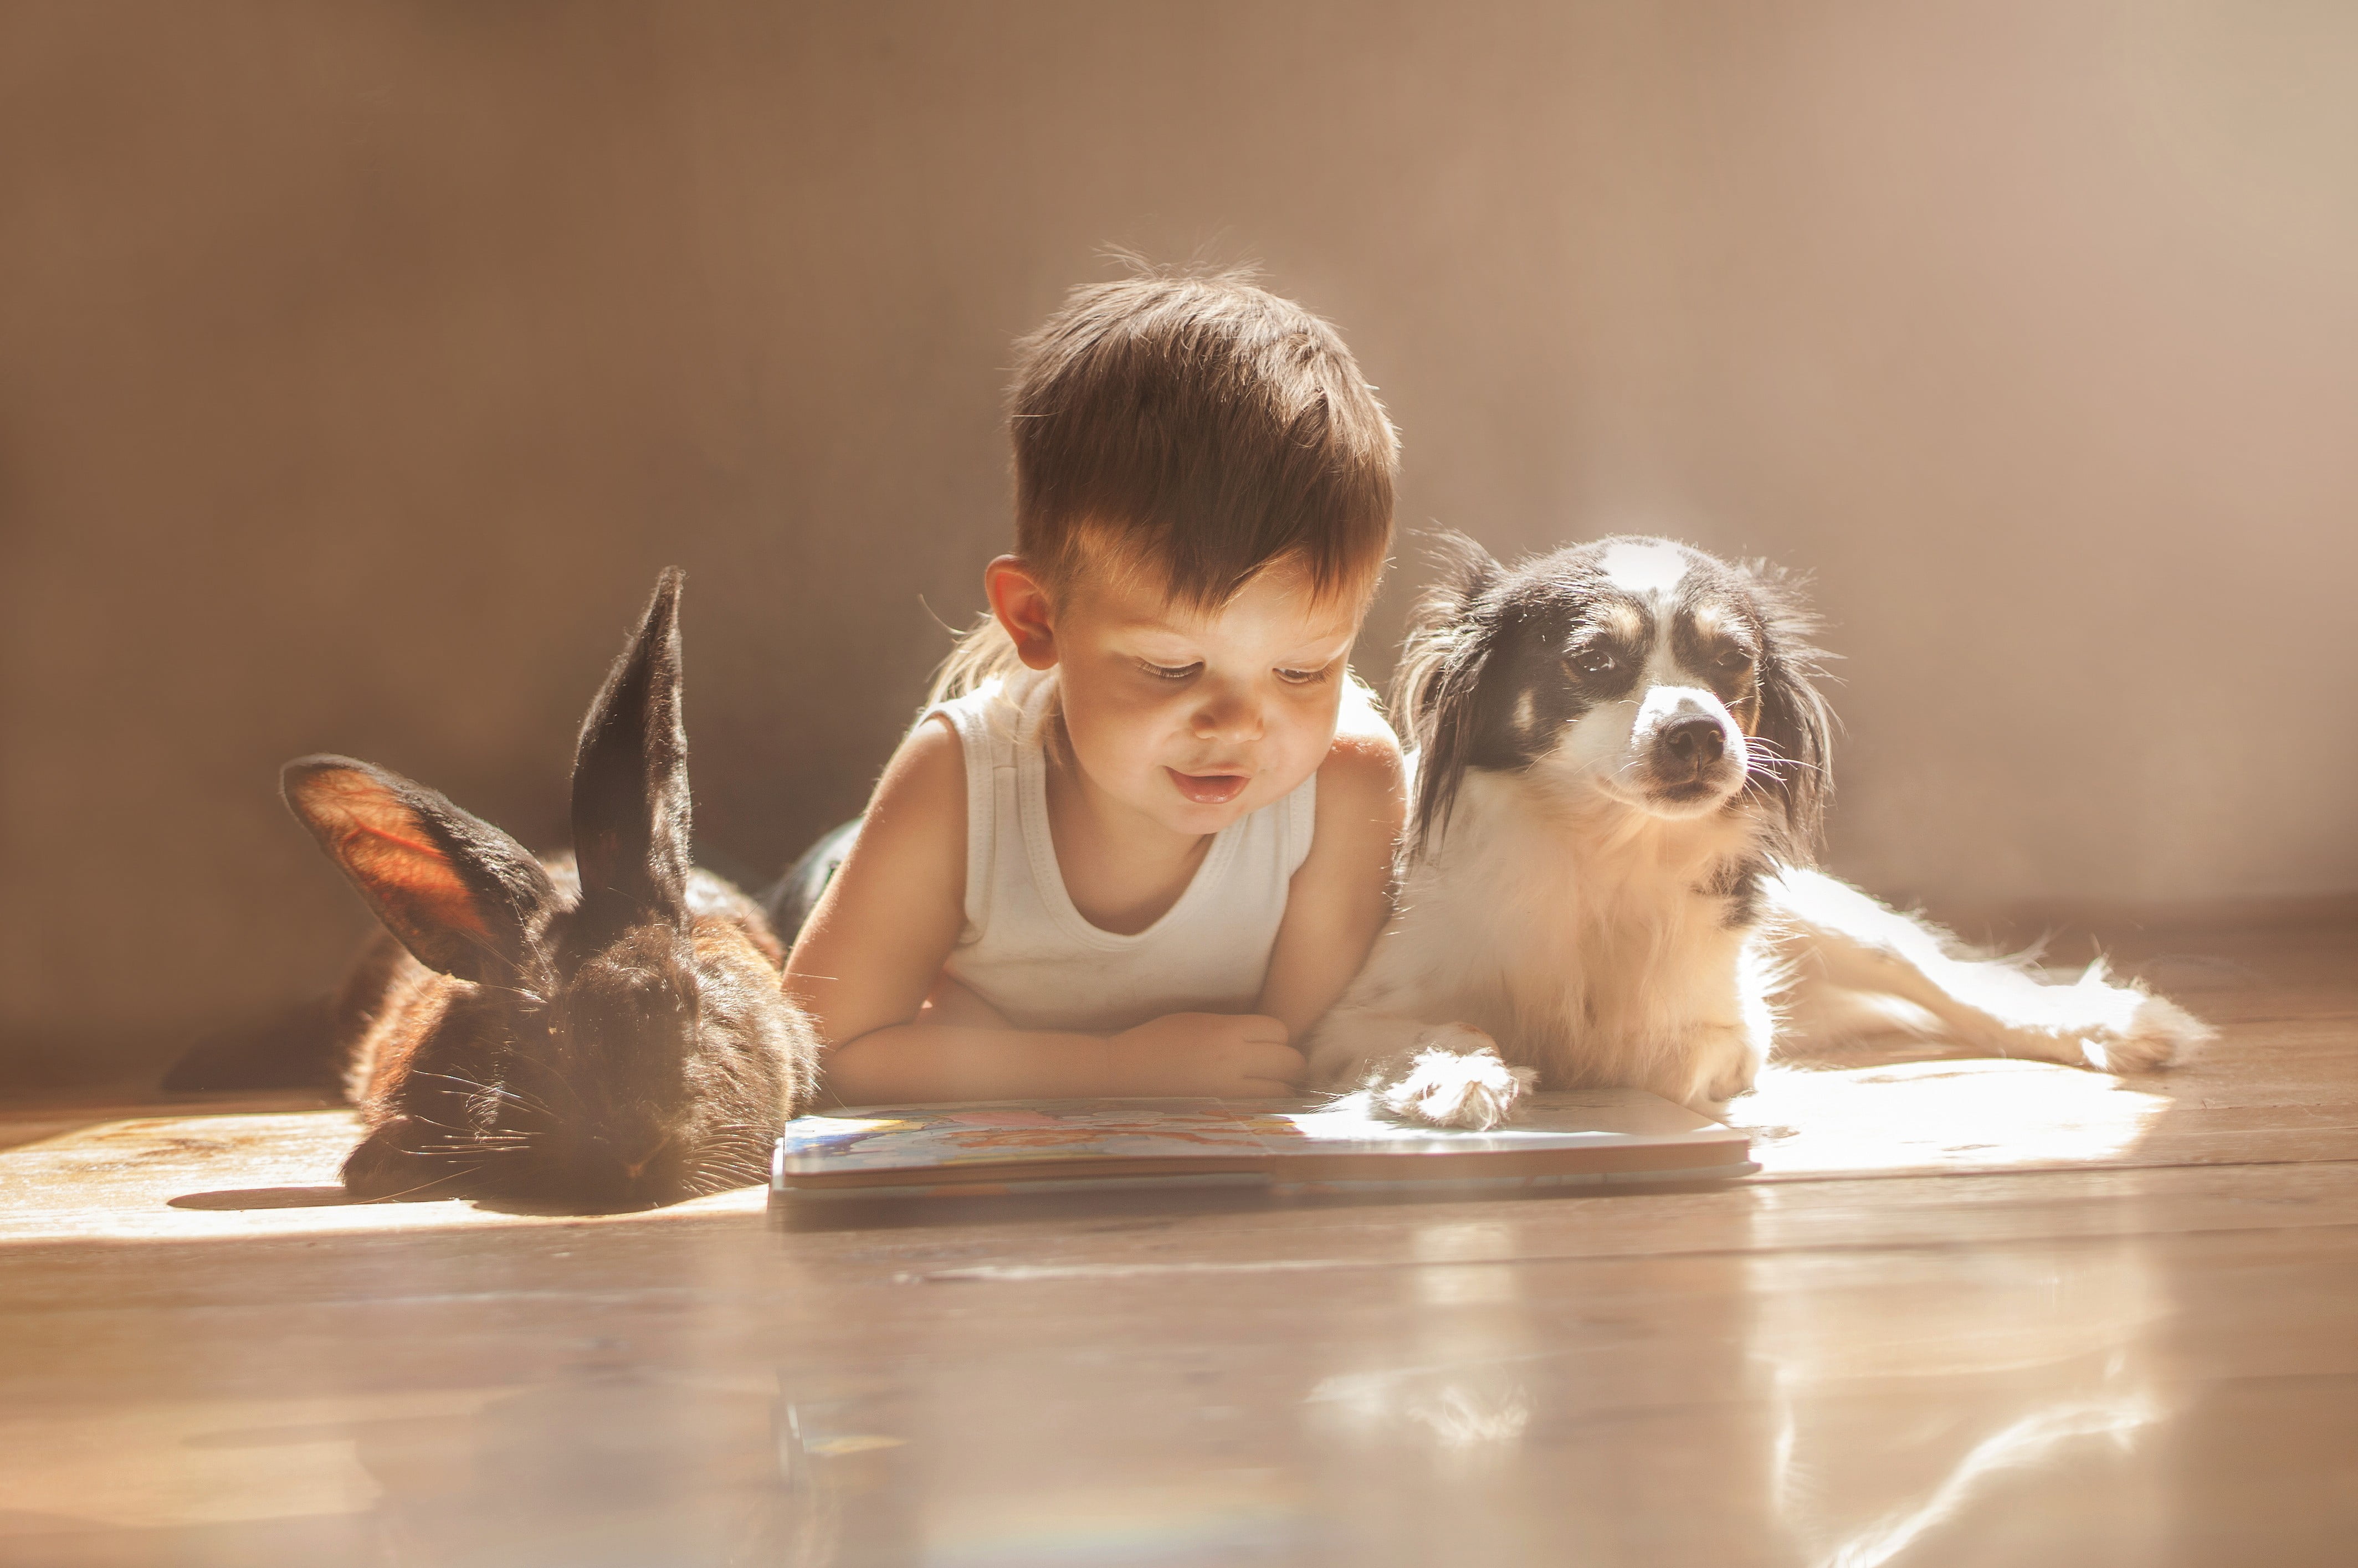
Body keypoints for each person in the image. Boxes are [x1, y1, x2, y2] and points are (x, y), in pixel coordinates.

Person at [785, 266, 1404, 1104]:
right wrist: (1115, 1072)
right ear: (1037, 619)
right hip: (857, 873)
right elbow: (822, 1049)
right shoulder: (956, 783)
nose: (1240, 724)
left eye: (1303, 670)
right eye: (1172, 668)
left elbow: (1293, 1060)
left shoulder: (1350, 783)